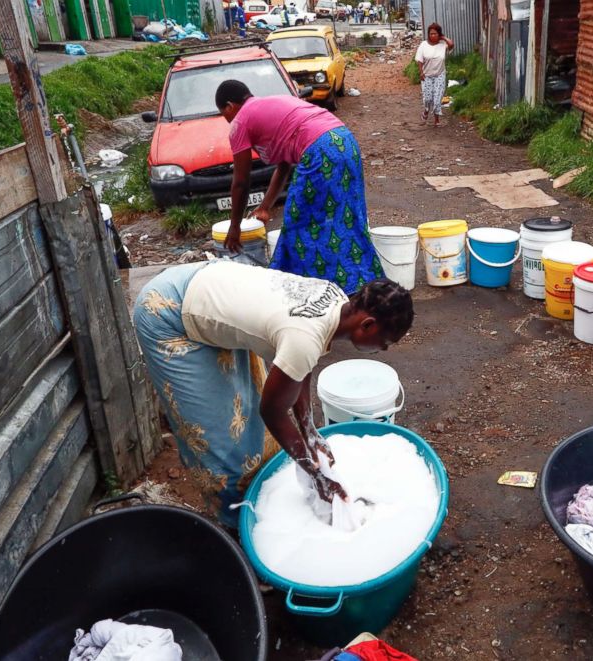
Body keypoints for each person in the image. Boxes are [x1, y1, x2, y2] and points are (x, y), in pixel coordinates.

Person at [133, 261, 414, 528]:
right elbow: (272, 411)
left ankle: (252, 493)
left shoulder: (337, 300)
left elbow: (300, 367)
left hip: (209, 290)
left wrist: (309, 429)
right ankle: (234, 526)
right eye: (386, 342)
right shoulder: (304, 336)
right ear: (367, 325)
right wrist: (315, 473)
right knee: (218, 439)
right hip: (168, 313)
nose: (385, 350)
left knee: (249, 409)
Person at [216, 80, 384, 295]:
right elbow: (284, 166)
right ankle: (365, 284)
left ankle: (305, 291)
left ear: (230, 106)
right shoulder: (273, 103)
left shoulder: (240, 121)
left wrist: (234, 227)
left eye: (224, 114)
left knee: (300, 223)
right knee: (346, 216)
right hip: (345, 141)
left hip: (321, 151)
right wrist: (265, 206)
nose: (227, 120)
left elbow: (241, 182)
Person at [415, 23, 454, 126]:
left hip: (439, 75)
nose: (433, 36)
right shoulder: (423, 45)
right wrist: (421, 72)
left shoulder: (442, 45)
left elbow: (451, 45)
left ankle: (436, 120)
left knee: (437, 99)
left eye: (435, 34)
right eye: (431, 34)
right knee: (428, 98)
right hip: (427, 75)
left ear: (439, 34)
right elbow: (419, 60)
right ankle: (426, 111)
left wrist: (443, 38)